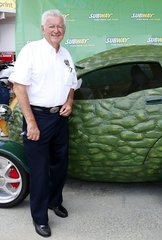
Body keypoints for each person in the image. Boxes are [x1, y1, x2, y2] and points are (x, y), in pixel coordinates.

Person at [9, 9, 78, 237]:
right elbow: (19, 86)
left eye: (60, 27)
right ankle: (39, 218)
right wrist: (31, 123)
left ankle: (54, 202)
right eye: (52, 26)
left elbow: (72, 83)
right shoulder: (31, 51)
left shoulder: (66, 53)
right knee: (39, 171)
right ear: (43, 29)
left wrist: (69, 101)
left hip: (60, 118)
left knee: (59, 166)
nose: (56, 30)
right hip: (37, 118)